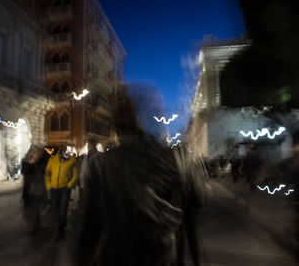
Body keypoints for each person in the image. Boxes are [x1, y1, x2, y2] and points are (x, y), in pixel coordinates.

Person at [76, 92, 210, 266]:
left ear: (117, 125)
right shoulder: (175, 158)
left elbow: (90, 227)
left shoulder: (101, 164)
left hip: (116, 257)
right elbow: (200, 199)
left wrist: (83, 258)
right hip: (161, 256)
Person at [45, 145, 79, 239]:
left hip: (65, 188)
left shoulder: (72, 160)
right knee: (55, 208)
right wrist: (48, 185)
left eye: (63, 150)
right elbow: (47, 173)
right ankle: (59, 225)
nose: (60, 153)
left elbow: (75, 175)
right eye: (59, 151)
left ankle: (60, 228)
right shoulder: (52, 160)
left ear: (66, 151)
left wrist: (69, 185)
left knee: (63, 208)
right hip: (53, 188)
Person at [22, 146, 49, 235]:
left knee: (36, 209)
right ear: (32, 153)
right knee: (30, 209)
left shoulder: (42, 162)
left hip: (38, 189)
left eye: (39, 153)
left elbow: (45, 170)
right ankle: (34, 225)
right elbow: (25, 172)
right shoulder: (26, 162)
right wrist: (32, 162)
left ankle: (35, 227)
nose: (38, 155)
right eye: (36, 153)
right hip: (29, 189)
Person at [78, 138, 99, 206]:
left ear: (93, 145)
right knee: (86, 202)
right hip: (84, 183)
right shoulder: (87, 156)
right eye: (87, 145)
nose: (88, 147)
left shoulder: (98, 156)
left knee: (92, 203)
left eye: (89, 145)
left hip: (93, 183)